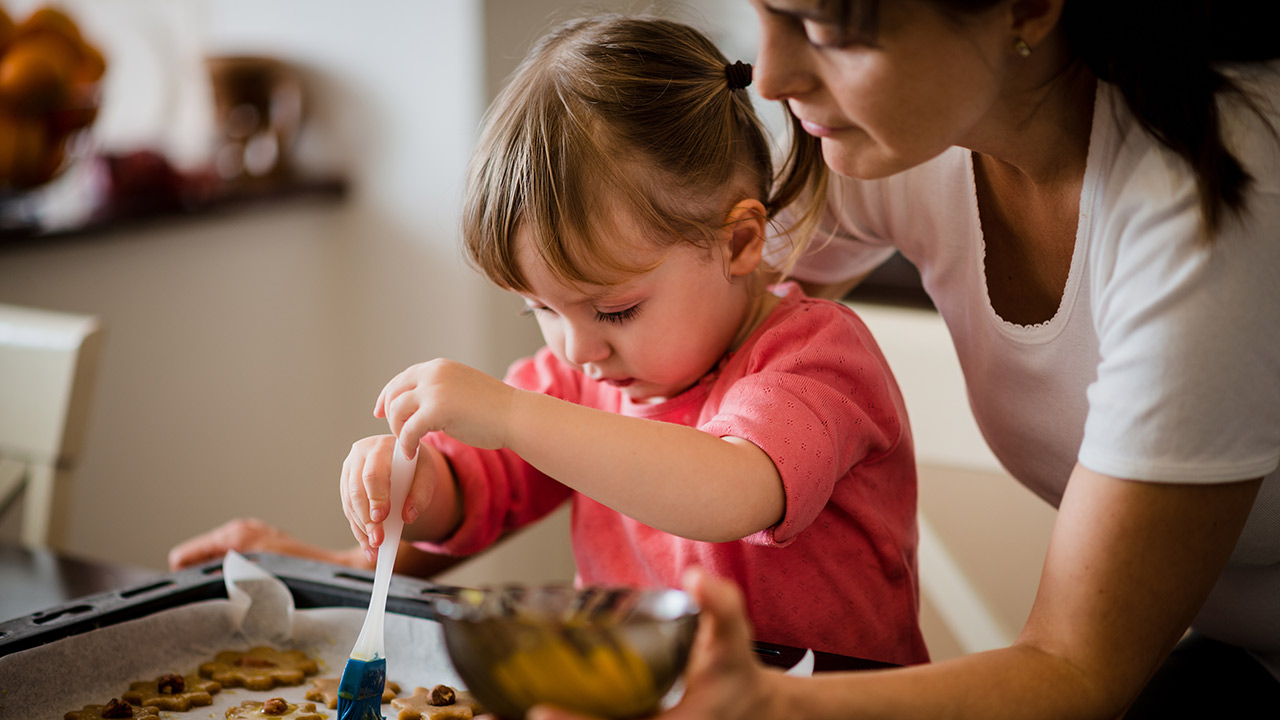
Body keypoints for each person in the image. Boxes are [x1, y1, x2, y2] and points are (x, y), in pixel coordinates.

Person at [530, 1, 1280, 719]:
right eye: (764, 14)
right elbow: (676, 328)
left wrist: (763, 706)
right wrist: (437, 480)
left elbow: (1075, 669)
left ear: (1023, 9)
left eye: (825, 27)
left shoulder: (1211, 220)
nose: (770, 78)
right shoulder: (905, 135)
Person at [338, 14, 928, 665]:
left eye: (613, 310)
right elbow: (479, 491)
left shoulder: (816, 360)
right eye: (540, 309)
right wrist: (413, 488)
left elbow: (733, 492)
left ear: (738, 242)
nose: (576, 349)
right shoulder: (575, 382)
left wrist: (511, 415)